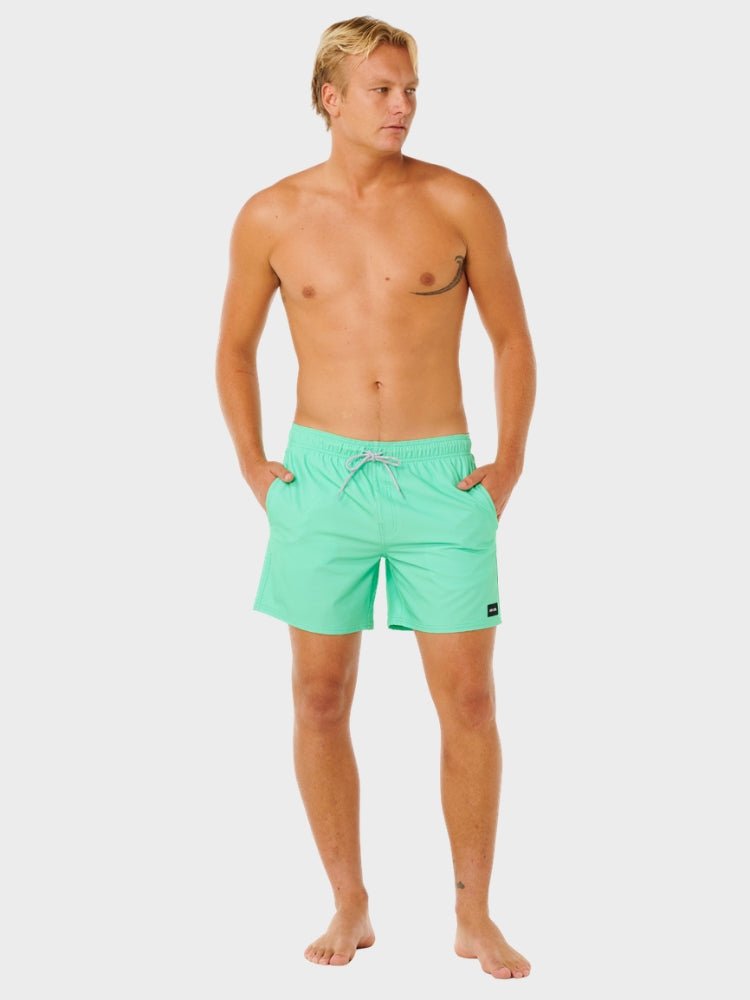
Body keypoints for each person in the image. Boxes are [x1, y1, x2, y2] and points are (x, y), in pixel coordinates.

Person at [215, 15, 536, 980]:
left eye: (410, 91)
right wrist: (252, 463)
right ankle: (349, 900)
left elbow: (513, 339)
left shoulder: (459, 201)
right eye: (382, 91)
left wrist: (509, 461)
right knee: (319, 697)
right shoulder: (271, 214)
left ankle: (473, 914)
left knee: (469, 697)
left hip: (442, 478)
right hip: (321, 478)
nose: (402, 106)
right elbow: (234, 349)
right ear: (331, 98)